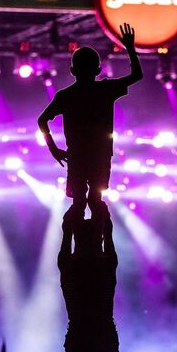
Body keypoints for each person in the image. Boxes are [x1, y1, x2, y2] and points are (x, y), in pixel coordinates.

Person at [38, 22, 143, 222]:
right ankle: (100, 248)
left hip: (77, 156)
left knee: (78, 204)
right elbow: (137, 75)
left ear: (72, 70)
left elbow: (42, 121)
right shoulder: (105, 90)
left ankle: (73, 248)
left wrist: (54, 149)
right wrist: (129, 47)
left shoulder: (66, 95)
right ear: (98, 70)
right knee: (96, 202)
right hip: (100, 155)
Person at [58, 202, 119, 352]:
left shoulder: (68, 265)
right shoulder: (107, 264)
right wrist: (98, 207)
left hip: (79, 333)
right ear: (101, 239)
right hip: (103, 332)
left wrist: (77, 204)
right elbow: (108, 232)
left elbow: (66, 233)